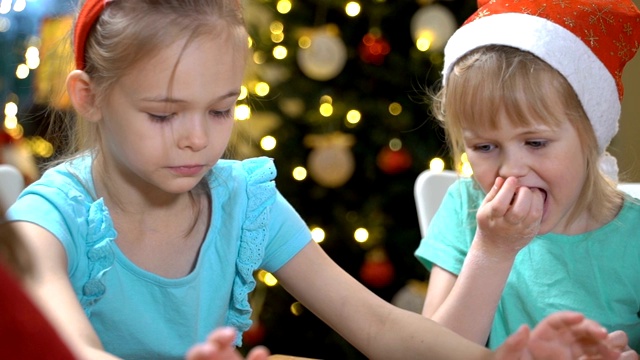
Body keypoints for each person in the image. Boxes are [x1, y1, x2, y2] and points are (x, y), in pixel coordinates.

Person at [3, 0, 622, 359]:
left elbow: (379, 327)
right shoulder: (48, 221)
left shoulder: (242, 198)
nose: (198, 137)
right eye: (164, 114)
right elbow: (72, 351)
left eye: (221, 109)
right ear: (89, 97)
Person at [414, 0, 640, 358]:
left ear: (590, 136)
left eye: (535, 142)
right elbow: (432, 354)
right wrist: (492, 251)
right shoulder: (464, 210)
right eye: (485, 146)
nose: (510, 169)